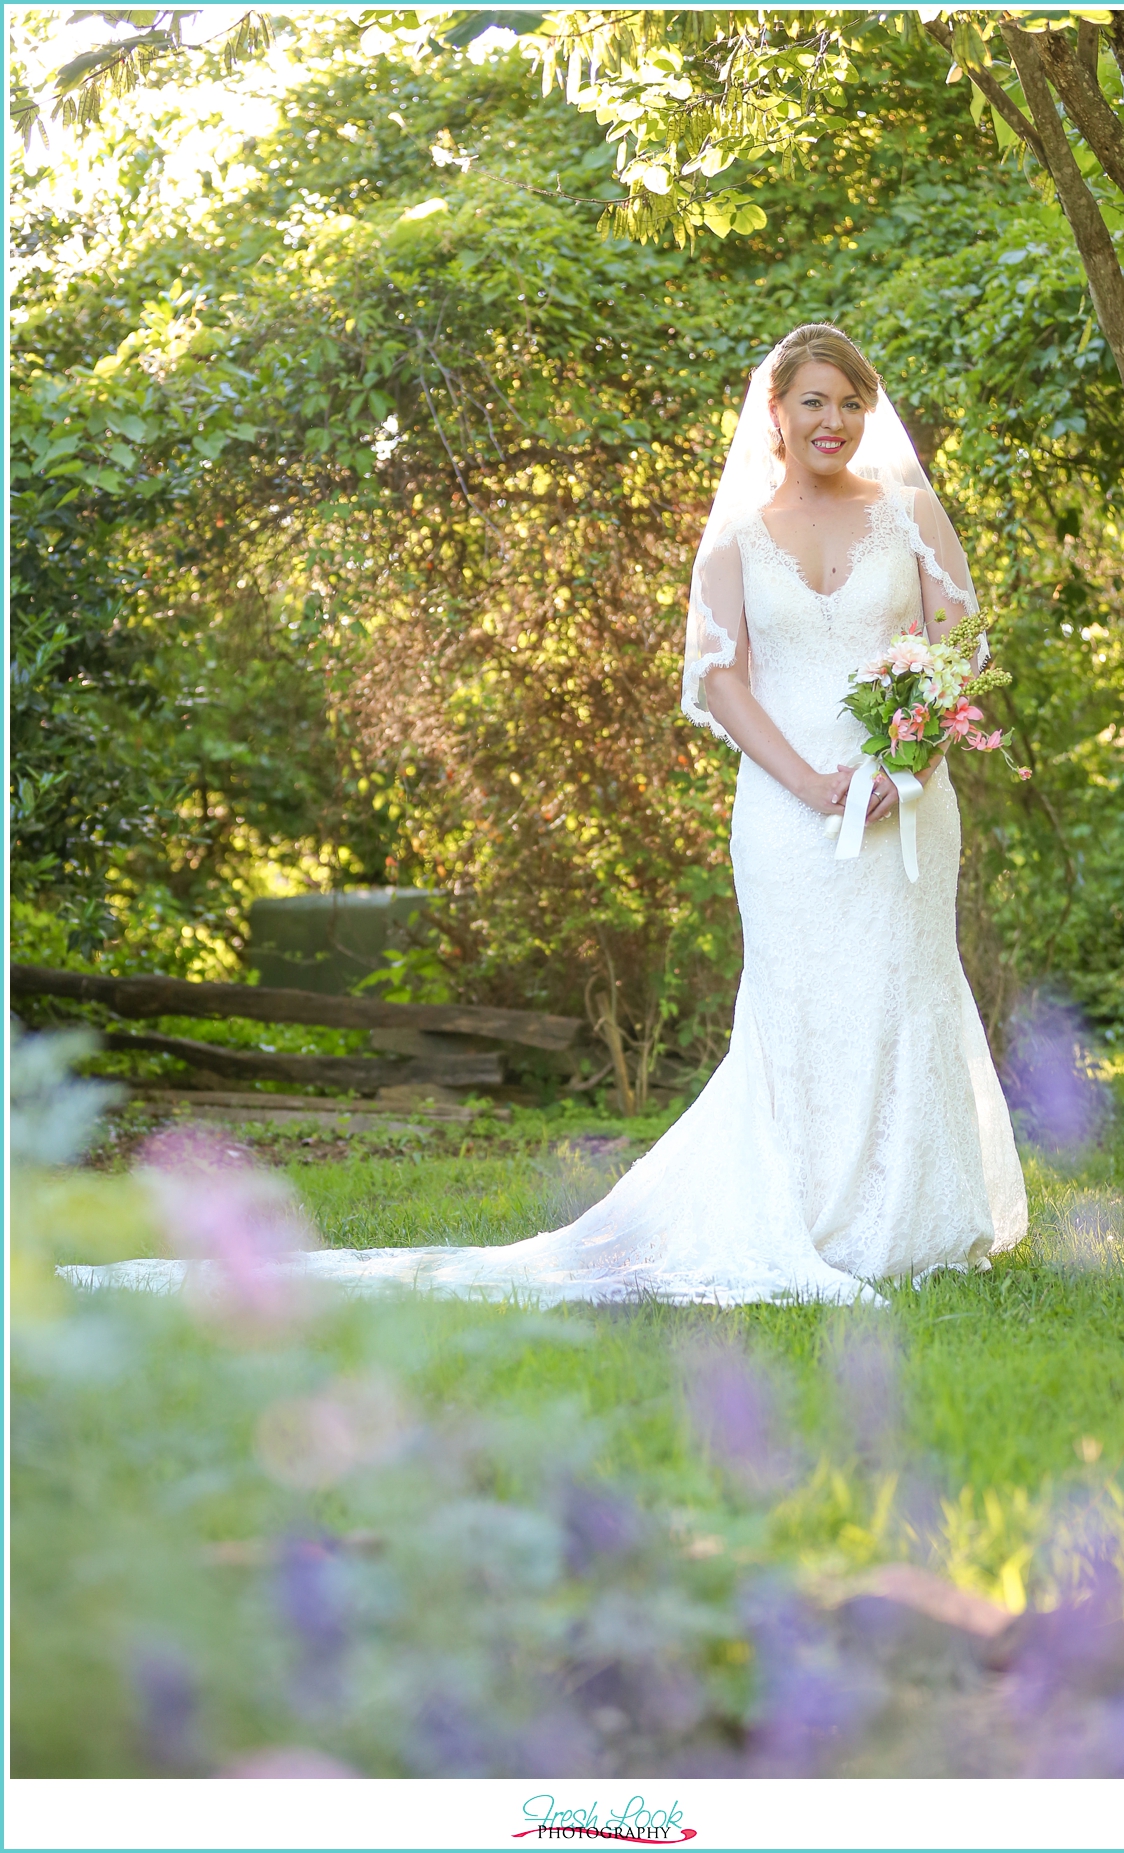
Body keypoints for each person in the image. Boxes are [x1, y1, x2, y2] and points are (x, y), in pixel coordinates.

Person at [67, 325, 1027, 1309]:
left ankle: (909, 1220)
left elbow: (958, 649)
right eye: (814, 401)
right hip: (787, 815)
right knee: (802, 1006)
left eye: (851, 401)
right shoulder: (738, 534)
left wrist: (899, 761)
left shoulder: (907, 513)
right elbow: (719, 679)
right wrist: (810, 780)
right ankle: (806, 1211)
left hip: (902, 808)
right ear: (774, 412)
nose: (835, 420)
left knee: (902, 986)